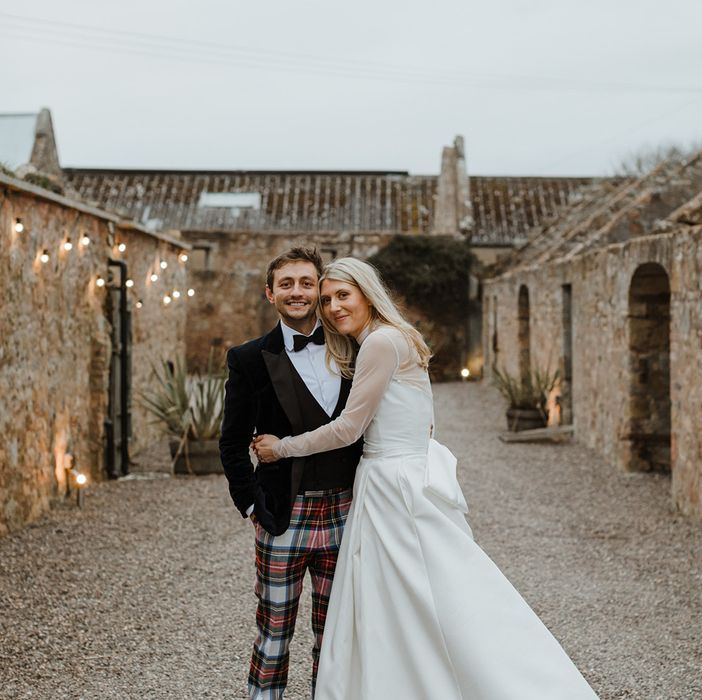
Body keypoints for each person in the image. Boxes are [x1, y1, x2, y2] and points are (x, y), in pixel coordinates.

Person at [253, 257, 599, 699]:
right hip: (398, 475)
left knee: (417, 593)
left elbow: (348, 429)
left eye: (343, 294)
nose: (334, 307)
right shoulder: (388, 339)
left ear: (366, 292)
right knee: (409, 597)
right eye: (326, 300)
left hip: (391, 483)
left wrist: (281, 446)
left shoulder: (379, 343)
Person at [219, 247, 363, 700]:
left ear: (319, 290)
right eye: (287, 284)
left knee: (335, 633)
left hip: (347, 511)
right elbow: (231, 441)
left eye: (306, 283)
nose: (297, 292)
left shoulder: (356, 347)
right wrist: (249, 505)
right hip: (282, 514)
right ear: (270, 293)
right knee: (274, 632)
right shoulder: (247, 358)